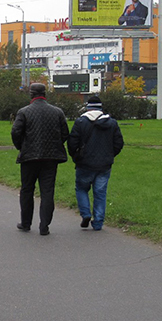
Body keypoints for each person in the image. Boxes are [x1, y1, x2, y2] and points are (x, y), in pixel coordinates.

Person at [11, 82, 69, 236]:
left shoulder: (23, 112)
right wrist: (55, 144)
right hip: (50, 157)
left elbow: (16, 132)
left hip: (29, 157)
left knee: (27, 190)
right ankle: (44, 226)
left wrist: (21, 147)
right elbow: (65, 133)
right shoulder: (57, 112)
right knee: (47, 191)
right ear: (45, 94)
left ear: (31, 94)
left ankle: (25, 223)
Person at [67, 95, 124, 231]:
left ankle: (86, 214)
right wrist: (110, 155)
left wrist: (76, 156)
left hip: (84, 163)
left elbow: (72, 143)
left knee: (81, 189)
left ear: (88, 107)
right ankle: (98, 222)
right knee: (100, 193)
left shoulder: (81, 122)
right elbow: (118, 143)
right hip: (104, 164)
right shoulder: (112, 123)